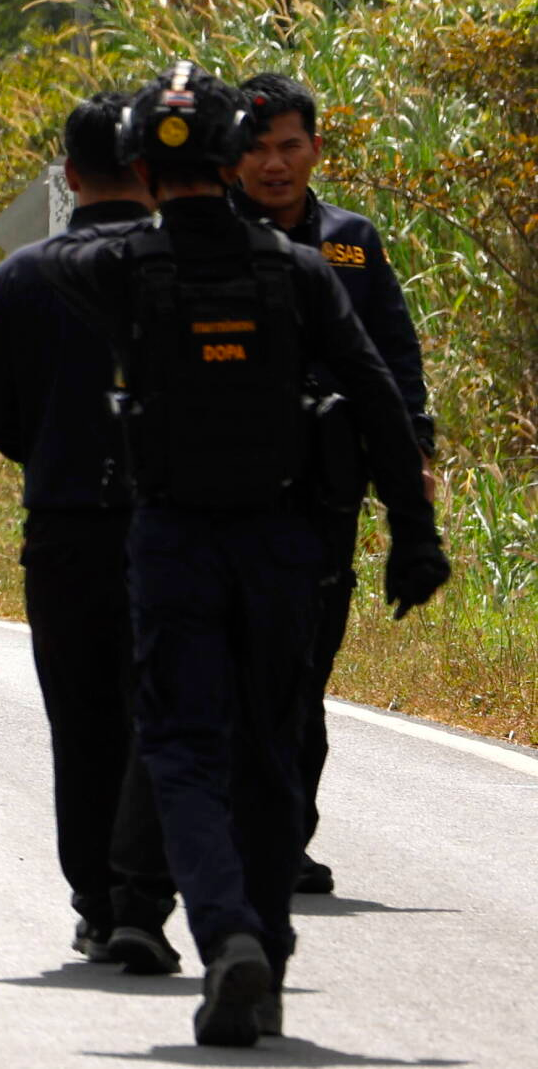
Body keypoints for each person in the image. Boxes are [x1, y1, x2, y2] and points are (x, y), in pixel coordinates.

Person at [44, 64, 446, 1048]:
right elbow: (382, 394)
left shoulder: (110, 270)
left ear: (137, 166)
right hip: (288, 540)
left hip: (173, 537)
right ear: (231, 158)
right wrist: (416, 530)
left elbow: (57, 271)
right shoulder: (304, 272)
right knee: (272, 742)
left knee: (183, 745)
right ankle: (259, 940)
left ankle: (227, 934)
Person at [0, 95, 178, 972]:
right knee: (163, 711)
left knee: (81, 720)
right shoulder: (179, 264)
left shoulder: (23, 276)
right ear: (148, 170)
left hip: (63, 532)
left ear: (70, 175)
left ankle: (95, 900)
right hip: (168, 524)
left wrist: (52, 451)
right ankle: (143, 902)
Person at [231, 71, 437, 898]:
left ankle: (285, 835)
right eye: (257, 148)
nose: (275, 165)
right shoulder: (206, 237)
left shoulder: (351, 242)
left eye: (290, 146)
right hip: (229, 491)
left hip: (327, 492)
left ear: (314, 149)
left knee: (306, 669)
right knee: (231, 666)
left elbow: (395, 358)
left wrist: (413, 458)